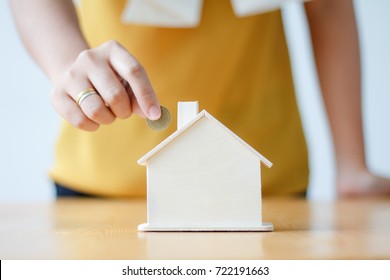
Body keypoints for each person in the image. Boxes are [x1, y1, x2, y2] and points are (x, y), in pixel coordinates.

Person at [10, 0, 390, 198]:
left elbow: (327, 4)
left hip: (263, 182)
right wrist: (65, 64)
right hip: (105, 176)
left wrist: (352, 163)